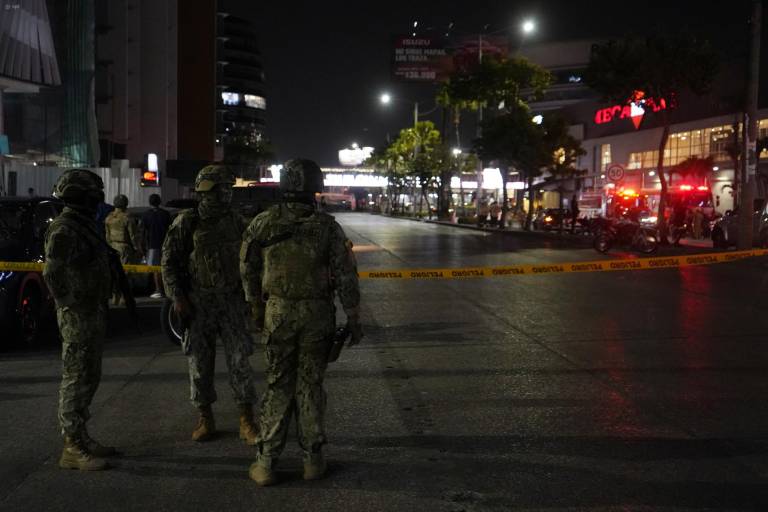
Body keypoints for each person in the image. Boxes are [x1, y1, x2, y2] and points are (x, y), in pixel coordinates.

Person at [240, 158, 363, 487]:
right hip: (316, 315)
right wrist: (353, 315)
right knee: (310, 385)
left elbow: (247, 265)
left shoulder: (262, 223)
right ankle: (313, 460)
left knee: (279, 385)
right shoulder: (326, 226)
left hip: (278, 313)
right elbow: (345, 274)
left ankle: (266, 464)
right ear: (314, 187)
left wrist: (254, 304)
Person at [161, 165, 258, 445]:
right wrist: (177, 298)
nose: (225, 195)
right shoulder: (187, 222)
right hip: (199, 304)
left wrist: (253, 298)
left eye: (228, 189)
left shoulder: (237, 222)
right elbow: (169, 262)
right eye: (219, 189)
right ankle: (205, 418)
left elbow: (252, 260)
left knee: (240, 363)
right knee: (200, 365)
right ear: (205, 191)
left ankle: (246, 420)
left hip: (231, 304)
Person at [43, 169, 116, 471]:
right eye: (93, 193)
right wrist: (68, 304)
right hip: (78, 314)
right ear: (79, 195)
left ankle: (81, 437)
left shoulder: (83, 225)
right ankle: (71, 446)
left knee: (89, 374)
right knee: (75, 377)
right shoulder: (65, 229)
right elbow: (52, 272)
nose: (98, 198)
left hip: (90, 309)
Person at [105, 194, 143, 305]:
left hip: (112, 247)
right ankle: (123, 297)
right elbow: (133, 236)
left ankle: (114, 296)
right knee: (125, 274)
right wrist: (137, 249)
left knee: (114, 273)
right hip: (124, 249)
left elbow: (107, 236)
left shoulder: (109, 218)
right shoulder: (127, 218)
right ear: (125, 204)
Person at [142, 194, 172, 298]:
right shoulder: (166, 214)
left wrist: (142, 247)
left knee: (155, 269)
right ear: (159, 202)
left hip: (152, 245)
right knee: (166, 267)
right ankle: (168, 289)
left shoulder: (146, 215)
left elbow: (143, 232)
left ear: (150, 202)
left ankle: (158, 290)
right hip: (166, 244)